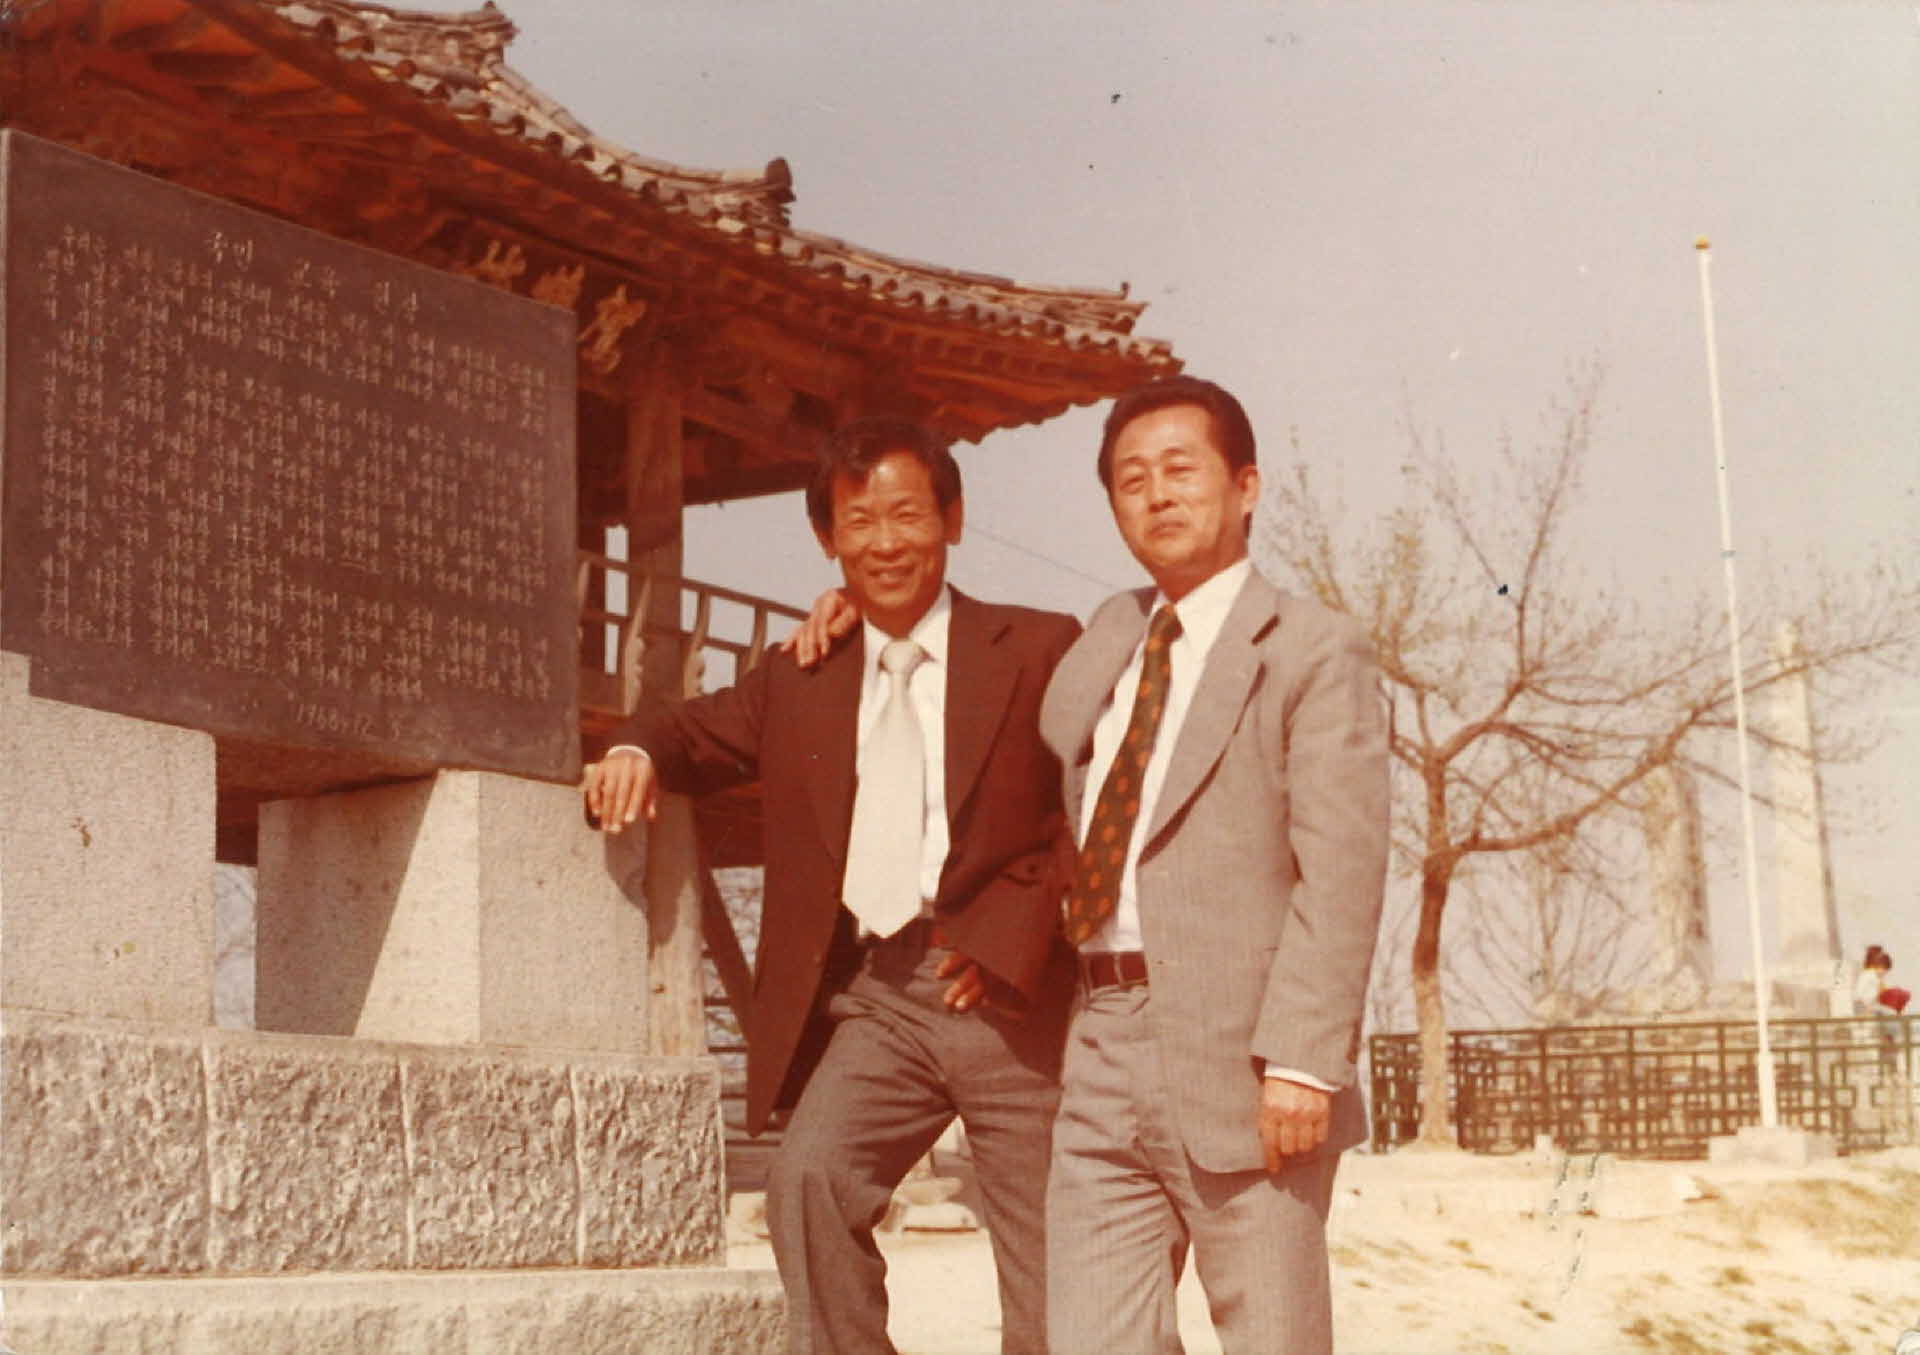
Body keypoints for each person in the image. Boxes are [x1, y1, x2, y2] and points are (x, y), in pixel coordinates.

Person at [585, 416, 1078, 1355]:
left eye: (907, 515)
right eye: (860, 521)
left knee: (1055, 1273)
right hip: (881, 997)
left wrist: (1014, 932)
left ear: (953, 519)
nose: (885, 542)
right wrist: (633, 749)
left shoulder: (1038, 646)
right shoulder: (800, 673)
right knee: (807, 1181)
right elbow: (686, 730)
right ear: (827, 538)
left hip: (1010, 996)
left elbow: (1096, 814)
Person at [1037, 375, 1388, 1355]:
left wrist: (1305, 1060)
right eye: (1130, 479)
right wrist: (853, 611)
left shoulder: (1314, 649)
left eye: (1180, 469)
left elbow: (1343, 871)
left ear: (1246, 486)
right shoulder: (1107, 637)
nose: (1157, 494)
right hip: (1100, 1036)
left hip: (1248, 1058)